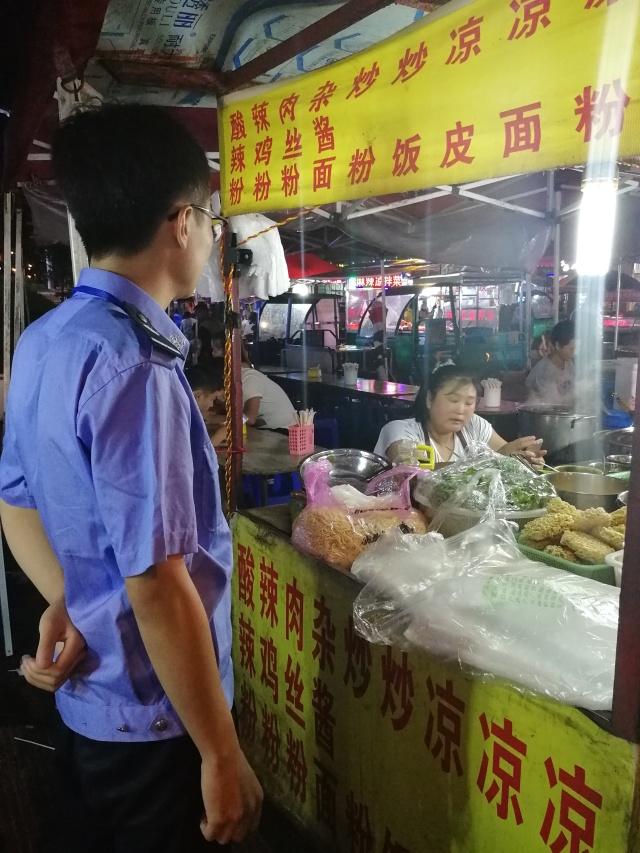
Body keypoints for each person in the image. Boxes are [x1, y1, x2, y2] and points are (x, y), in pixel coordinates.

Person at [0, 104, 262, 852]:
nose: (213, 238)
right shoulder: (135, 366)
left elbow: (13, 498)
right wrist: (219, 751)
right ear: (181, 222)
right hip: (155, 721)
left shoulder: (48, 339)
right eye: (210, 218)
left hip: (88, 707)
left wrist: (69, 597)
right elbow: (155, 581)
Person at [374, 364, 545, 464]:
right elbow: (417, 475)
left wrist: (524, 459)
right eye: (453, 400)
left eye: (469, 403)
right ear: (429, 399)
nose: (461, 410)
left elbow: (504, 449)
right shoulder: (399, 431)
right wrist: (501, 459)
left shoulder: (474, 425)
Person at [525, 320, 575, 405]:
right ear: (557, 345)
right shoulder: (544, 372)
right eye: (571, 349)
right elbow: (553, 405)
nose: (574, 352)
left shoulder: (568, 363)